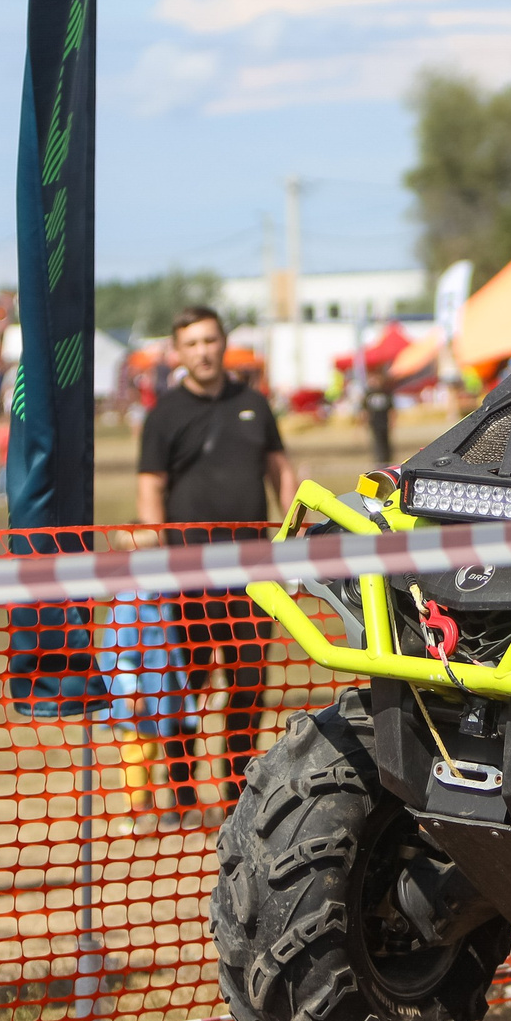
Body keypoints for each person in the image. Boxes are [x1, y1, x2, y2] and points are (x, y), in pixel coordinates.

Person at [135, 307, 297, 809]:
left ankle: (238, 791)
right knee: (185, 686)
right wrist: (159, 557)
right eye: (192, 343)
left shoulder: (254, 403)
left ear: (223, 343)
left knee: (250, 683)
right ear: (178, 353)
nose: (203, 351)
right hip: (189, 577)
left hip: (252, 577)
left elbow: (281, 471)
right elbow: (150, 489)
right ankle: (182, 789)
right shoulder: (164, 414)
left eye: (210, 340)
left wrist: (290, 543)